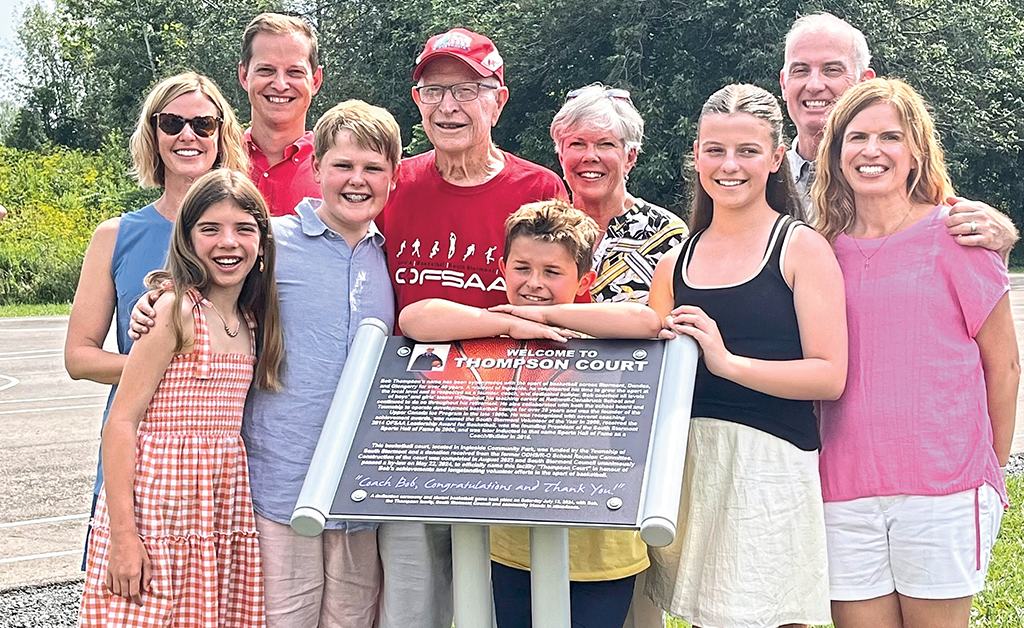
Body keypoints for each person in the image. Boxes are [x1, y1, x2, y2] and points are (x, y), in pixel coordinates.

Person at [130, 99, 401, 627]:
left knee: (353, 615)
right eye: (343, 165)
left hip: (358, 486)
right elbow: (209, 278)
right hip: (278, 482)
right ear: (316, 167)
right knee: (284, 617)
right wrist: (158, 297)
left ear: (392, 176)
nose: (356, 180)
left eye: (373, 168)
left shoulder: (388, 254)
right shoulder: (274, 241)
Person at [374, 27, 567, 628]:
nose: (449, 106)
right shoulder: (391, 183)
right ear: (416, 100)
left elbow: (560, 301)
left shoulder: (537, 190)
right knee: (412, 598)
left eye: (466, 90)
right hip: (404, 423)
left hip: (506, 426)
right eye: (434, 92)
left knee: (501, 598)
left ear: (498, 99)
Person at [812, 78, 1018, 628]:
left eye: (890, 137)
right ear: (835, 153)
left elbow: (1005, 365)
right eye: (856, 137)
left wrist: (990, 472)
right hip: (842, 489)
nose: (872, 151)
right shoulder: (818, 250)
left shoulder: (958, 237)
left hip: (944, 489)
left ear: (916, 153)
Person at [400, 200, 662, 628]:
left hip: (599, 549)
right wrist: (507, 324)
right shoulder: (493, 326)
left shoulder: (596, 326)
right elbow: (415, 318)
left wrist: (543, 315)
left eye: (552, 273)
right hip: (512, 546)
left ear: (585, 280)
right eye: (522, 268)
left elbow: (646, 320)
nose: (533, 283)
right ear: (502, 267)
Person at [643, 84, 847, 628]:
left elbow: (829, 376)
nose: (729, 165)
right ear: (696, 154)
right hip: (692, 465)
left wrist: (727, 361)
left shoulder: (801, 247)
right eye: (715, 149)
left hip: (770, 467)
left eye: (747, 151)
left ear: (776, 158)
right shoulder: (674, 262)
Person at [78, 169, 283, 626]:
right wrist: (125, 538)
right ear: (187, 240)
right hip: (156, 513)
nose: (227, 242)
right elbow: (122, 421)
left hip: (216, 512)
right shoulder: (175, 311)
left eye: (244, 229)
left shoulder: (251, 321)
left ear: (263, 244)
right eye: (210, 229)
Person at [64, 71, 246, 563]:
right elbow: (79, 357)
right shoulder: (116, 234)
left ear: (222, 134)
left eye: (203, 124)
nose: (188, 135)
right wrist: (160, 365)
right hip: (139, 447)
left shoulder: (248, 235)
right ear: (153, 134)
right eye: (173, 122)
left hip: (223, 454)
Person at [779, 12, 1017, 260]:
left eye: (832, 70)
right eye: (801, 70)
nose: (814, 84)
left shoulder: (898, 180)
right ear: (784, 83)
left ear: (865, 82)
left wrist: (1001, 241)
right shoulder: (759, 177)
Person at [550, 83, 687, 305]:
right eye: (577, 144)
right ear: (561, 156)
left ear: (630, 158)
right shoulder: (542, 227)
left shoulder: (666, 234)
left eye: (605, 144)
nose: (590, 156)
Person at [238, 13, 323, 216]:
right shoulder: (217, 161)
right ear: (244, 76)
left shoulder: (339, 170)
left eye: (295, 72)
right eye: (266, 70)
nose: (280, 85)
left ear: (315, 81)